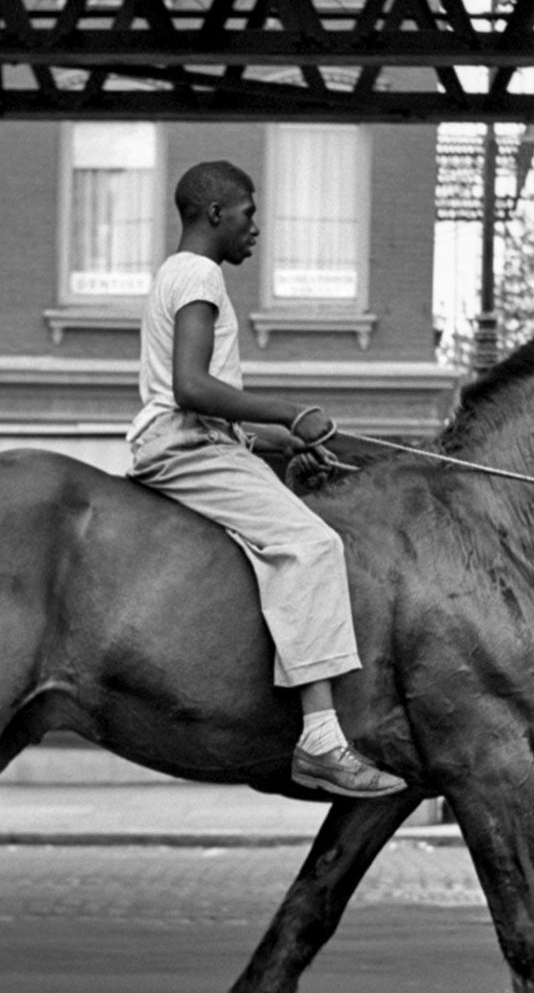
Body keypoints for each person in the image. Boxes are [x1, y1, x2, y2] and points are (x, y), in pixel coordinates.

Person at [127, 160, 406, 799]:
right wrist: (290, 411)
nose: (258, 229)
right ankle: (320, 740)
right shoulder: (199, 274)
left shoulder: (177, 273)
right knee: (312, 546)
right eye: (250, 215)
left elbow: (202, 403)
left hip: (192, 439)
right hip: (186, 445)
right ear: (216, 213)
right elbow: (191, 388)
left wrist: (281, 442)